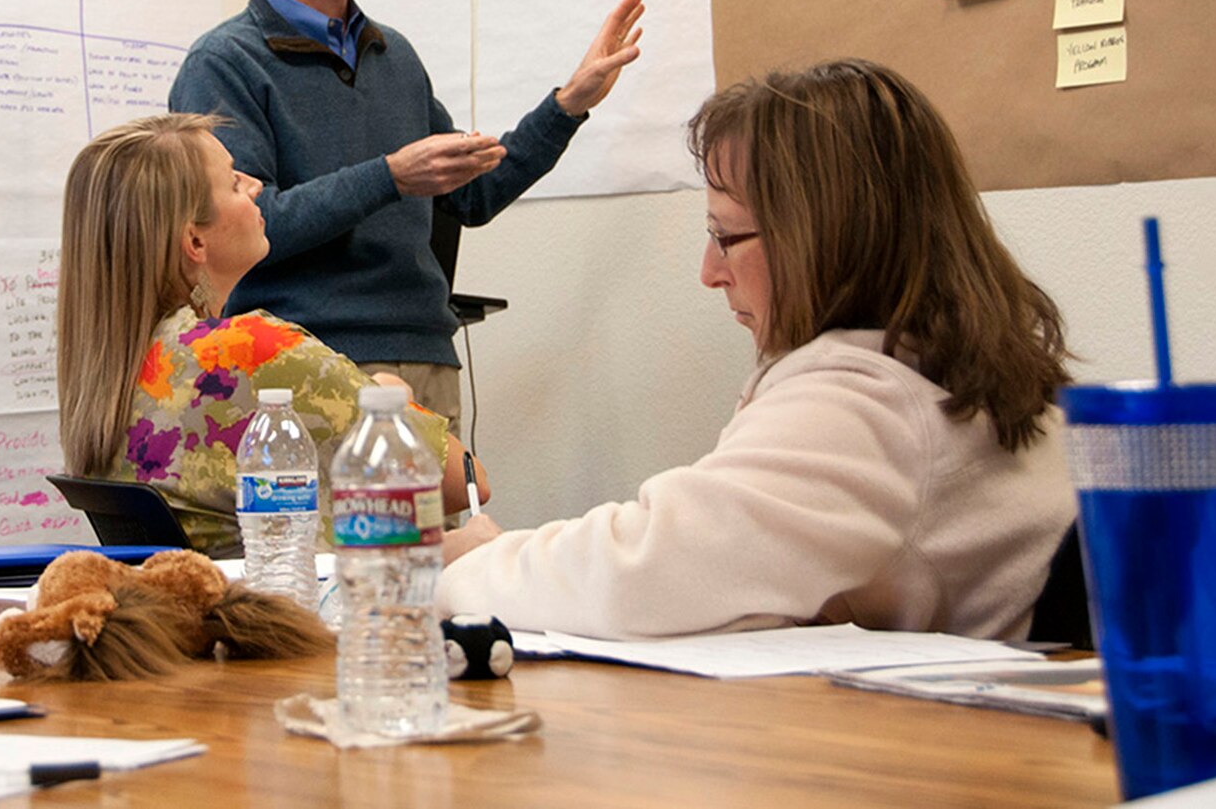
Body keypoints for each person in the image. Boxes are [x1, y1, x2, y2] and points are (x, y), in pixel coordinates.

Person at [437, 59, 1075, 641]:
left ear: (822, 238)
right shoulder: (943, 364)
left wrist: (478, 560)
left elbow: (649, 572)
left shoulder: (865, 404)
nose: (710, 273)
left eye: (725, 236)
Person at [169, 0, 644, 432]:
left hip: (426, 351)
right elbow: (247, 225)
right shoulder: (225, 62)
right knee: (318, 531)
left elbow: (473, 195)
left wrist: (569, 105)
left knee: (449, 529)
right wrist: (389, 176)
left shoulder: (394, 54)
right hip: (301, 360)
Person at [56, 113, 488, 556]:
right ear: (196, 242)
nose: (256, 186)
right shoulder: (248, 352)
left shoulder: (106, 378)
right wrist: (387, 394)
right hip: (292, 611)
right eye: (233, 182)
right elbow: (462, 481)